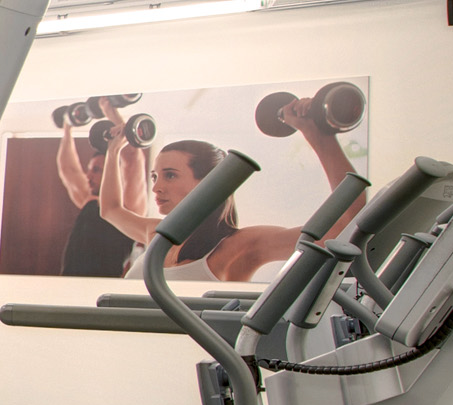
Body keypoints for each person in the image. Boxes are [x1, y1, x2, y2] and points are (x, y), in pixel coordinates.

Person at [101, 94, 360, 280]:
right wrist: (113, 152)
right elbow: (110, 210)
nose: (156, 188)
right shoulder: (157, 234)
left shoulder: (240, 245)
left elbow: (343, 230)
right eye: (155, 177)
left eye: (170, 176)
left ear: (209, 183)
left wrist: (320, 137)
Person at [53, 117, 137, 277]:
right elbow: (68, 169)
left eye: (96, 170)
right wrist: (67, 126)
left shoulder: (129, 206)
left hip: (103, 288)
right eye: (90, 169)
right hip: (69, 285)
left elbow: (133, 158)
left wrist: (116, 119)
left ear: (113, 171)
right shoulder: (89, 200)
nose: (88, 176)